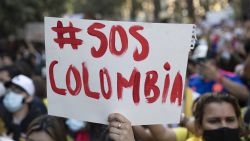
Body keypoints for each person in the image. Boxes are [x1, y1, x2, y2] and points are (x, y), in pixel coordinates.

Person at [108, 93, 243, 141]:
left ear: (239, 122)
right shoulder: (188, 136)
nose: (224, 126)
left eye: (230, 120)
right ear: (199, 127)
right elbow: (161, 135)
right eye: (214, 121)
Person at [0, 74, 46, 141]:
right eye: (10, 89)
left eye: (18, 90)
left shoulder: (38, 123)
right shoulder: (1, 115)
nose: (11, 93)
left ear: (29, 98)